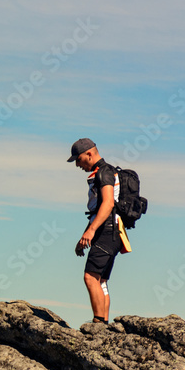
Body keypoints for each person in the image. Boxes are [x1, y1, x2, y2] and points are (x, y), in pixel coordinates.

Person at [68, 138, 121, 324]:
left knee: (90, 277)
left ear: (89, 154)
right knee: (101, 281)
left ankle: (99, 323)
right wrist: (85, 235)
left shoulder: (104, 173)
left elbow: (107, 203)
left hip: (106, 231)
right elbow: (98, 210)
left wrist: (91, 232)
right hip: (111, 231)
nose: (77, 164)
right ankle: (103, 326)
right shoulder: (105, 172)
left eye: (78, 159)